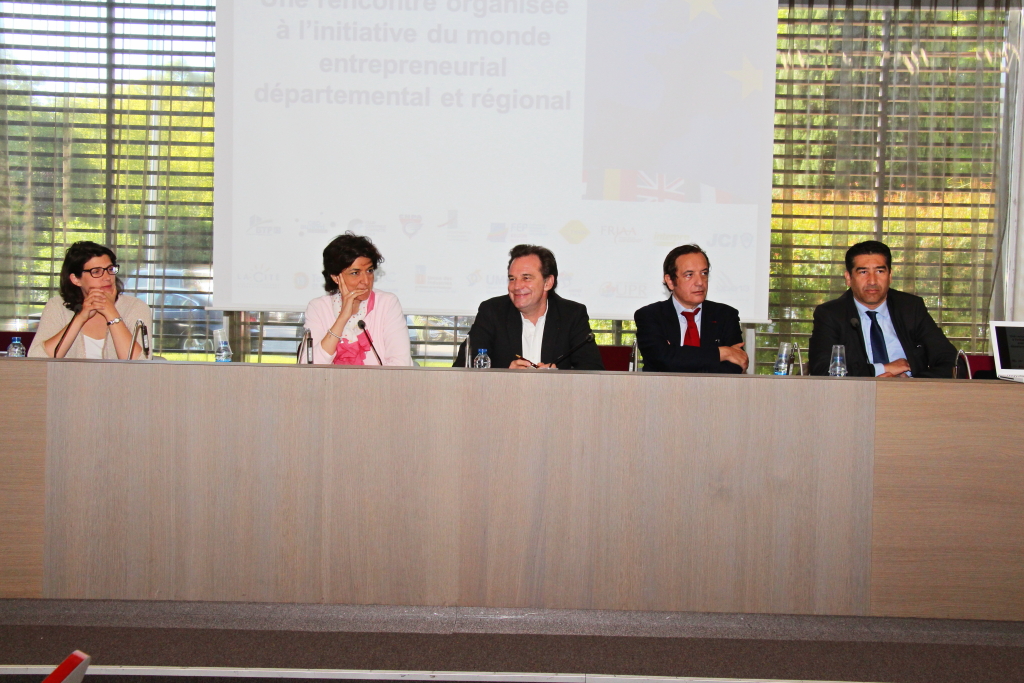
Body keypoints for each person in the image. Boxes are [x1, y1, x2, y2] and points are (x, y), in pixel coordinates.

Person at [808, 240, 957, 377]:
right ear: (848, 278)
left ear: (890, 276)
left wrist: (913, 384)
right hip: (855, 398)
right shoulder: (831, 314)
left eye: (880, 271)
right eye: (863, 272)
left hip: (911, 397)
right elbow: (821, 369)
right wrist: (883, 369)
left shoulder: (911, 308)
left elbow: (953, 362)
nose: (872, 281)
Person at [454, 244, 603, 370]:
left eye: (526, 278)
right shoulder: (492, 311)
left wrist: (560, 378)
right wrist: (505, 375)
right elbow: (462, 367)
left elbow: (593, 372)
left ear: (548, 283)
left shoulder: (572, 315)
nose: (516, 286)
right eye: (512, 279)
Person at [633, 244, 747, 373]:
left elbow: (736, 365)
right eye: (689, 275)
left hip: (713, 391)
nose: (700, 282)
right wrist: (721, 353)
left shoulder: (725, 315)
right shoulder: (650, 315)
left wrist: (679, 356)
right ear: (670, 281)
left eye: (704, 273)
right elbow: (662, 359)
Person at [303, 233, 413, 366]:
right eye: (355, 273)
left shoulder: (387, 303)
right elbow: (310, 366)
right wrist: (343, 317)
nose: (366, 281)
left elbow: (401, 364)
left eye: (370, 271)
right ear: (335, 277)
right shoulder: (318, 307)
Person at [28, 241, 152, 360]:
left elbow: (142, 364)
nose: (107, 277)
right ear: (76, 279)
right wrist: (80, 318)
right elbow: (37, 360)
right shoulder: (57, 306)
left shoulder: (135, 307)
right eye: (96, 271)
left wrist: (112, 313)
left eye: (110, 269)